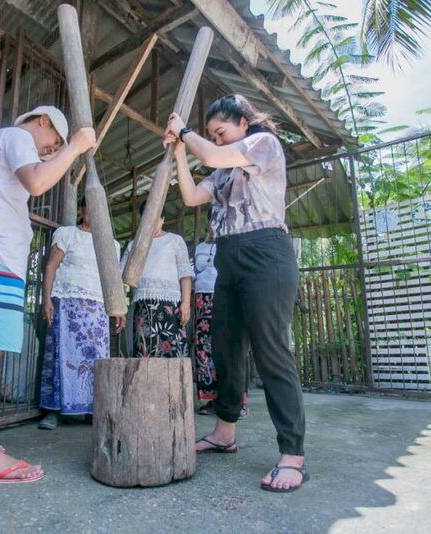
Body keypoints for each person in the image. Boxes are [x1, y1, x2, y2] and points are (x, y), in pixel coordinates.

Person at [0, 105, 97, 484]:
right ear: (42, 121)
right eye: (52, 140)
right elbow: (38, 183)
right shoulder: (15, 137)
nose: (49, 149)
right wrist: (74, 147)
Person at [165, 94, 307, 492]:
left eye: (221, 131)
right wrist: (179, 150)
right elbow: (192, 195)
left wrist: (187, 132)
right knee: (224, 347)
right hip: (228, 257)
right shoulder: (224, 170)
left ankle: (292, 455)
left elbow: (210, 155)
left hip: (266, 253)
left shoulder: (262, 145)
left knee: (271, 351)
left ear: (244, 123)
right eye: (213, 134)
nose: (218, 139)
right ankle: (224, 433)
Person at [38, 198, 124, 430]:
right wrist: (47, 299)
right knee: (61, 355)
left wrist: (120, 308)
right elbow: (51, 267)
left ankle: (91, 411)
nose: (95, 213)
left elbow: (114, 279)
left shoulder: (111, 245)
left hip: (97, 309)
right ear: (81, 211)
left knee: (95, 359)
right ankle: (53, 411)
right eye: (91, 207)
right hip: (66, 304)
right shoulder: (67, 234)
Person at [193, 212, 248, 418]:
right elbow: (194, 274)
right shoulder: (200, 248)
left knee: (231, 348)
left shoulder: (236, 243)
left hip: (226, 296)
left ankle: (237, 401)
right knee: (204, 348)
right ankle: (210, 399)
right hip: (202, 300)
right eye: (213, 220)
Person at [121, 201, 193, 358]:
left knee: (173, 352)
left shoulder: (175, 241)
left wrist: (185, 304)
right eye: (148, 218)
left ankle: (175, 384)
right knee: (145, 352)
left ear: (163, 219)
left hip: (171, 306)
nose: (152, 221)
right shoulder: (134, 245)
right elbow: (122, 275)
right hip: (143, 306)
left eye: (156, 217)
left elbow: (185, 274)